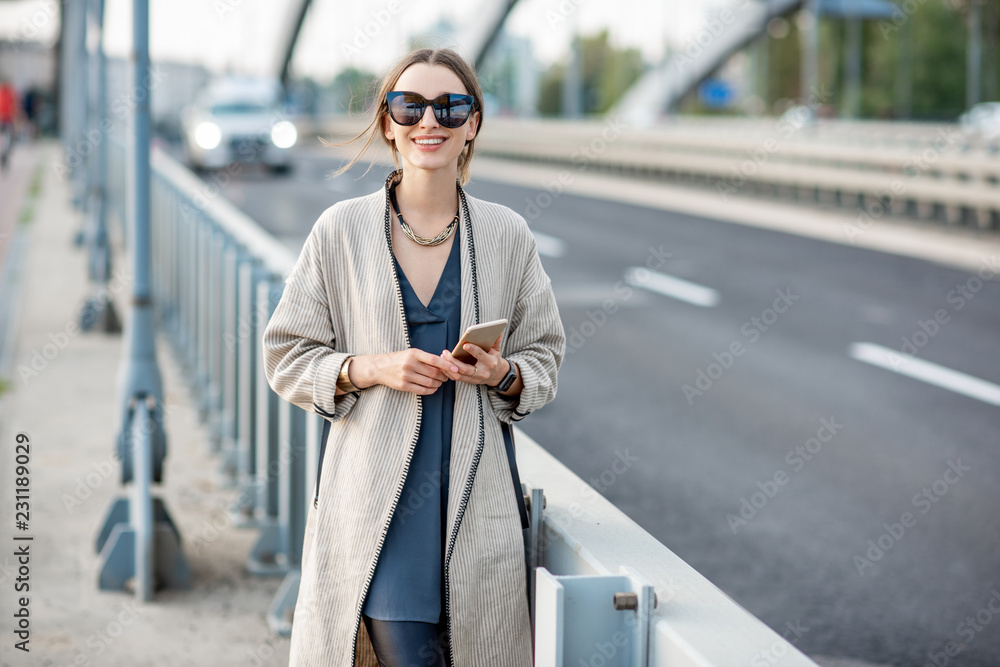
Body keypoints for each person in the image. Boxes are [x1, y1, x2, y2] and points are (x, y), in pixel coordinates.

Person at [261, 47, 565, 667]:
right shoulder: (339, 231)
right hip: (379, 512)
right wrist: (371, 367)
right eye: (411, 105)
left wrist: (503, 374)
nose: (430, 121)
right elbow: (285, 355)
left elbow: (546, 356)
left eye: (451, 106)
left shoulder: (508, 234)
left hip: (478, 512)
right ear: (387, 121)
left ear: (473, 123)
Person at [0, 77, 21, 171]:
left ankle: (5, 155)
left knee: (8, 139)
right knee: (6, 139)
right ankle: (4, 154)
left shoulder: (10, 93)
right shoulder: (4, 93)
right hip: (4, 119)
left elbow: (15, 107)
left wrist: (16, 118)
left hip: (7, 119)